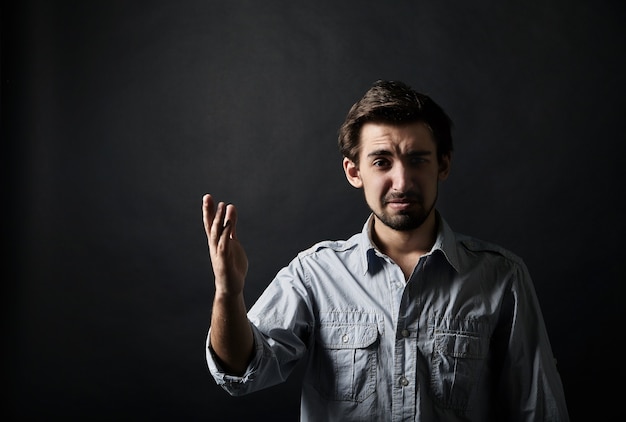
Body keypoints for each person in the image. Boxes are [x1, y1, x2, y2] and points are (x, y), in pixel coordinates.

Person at [202, 80, 570, 421]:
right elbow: (243, 372)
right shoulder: (315, 274)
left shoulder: (502, 277)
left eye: (417, 159)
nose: (402, 181)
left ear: (443, 164)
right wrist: (229, 294)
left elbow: (538, 409)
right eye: (382, 162)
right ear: (353, 171)